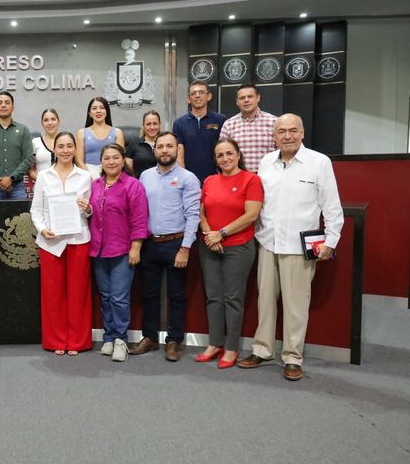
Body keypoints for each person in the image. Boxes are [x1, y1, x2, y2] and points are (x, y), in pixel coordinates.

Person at [239, 114, 343, 381]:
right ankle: (262, 350)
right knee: (265, 302)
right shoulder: (266, 162)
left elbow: (332, 206)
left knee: (296, 306)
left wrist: (331, 241)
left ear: (302, 133)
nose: (287, 136)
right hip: (267, 243)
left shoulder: (319, 162)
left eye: (293, 130)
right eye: (282, 131)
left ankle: (293, 357)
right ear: (274, 136)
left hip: (299, 247)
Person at [131, 132, 200, 362]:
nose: (164, 150)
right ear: (155, 150)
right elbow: (139, 211)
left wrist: (185, 248)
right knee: (149, 294)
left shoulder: (188, 178)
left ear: (176, 149)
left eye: (169, 146)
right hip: (150, 244)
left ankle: (174, 341)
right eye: (160, 146)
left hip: (176, 244)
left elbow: (193, 215)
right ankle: (150, 337)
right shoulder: (145, 176)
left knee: (176, 295)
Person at [195, 138, 263, 369]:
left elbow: (251, 215)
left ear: (238, 155)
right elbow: (202, 213)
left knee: (233, 298)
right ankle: (215, 344)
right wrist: (209, 235)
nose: (225, 159)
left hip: (239, 246)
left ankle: (231, 348)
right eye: (220, 155)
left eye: (229, 153)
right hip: (210, 246)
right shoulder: (210, 181)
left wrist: (221, 233)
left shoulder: (251, 180)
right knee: (213, 296)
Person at [30, 131, 93, 355]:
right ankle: (56, 341)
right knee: (53, 294)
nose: (65, 150)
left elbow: (90, 211)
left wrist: (88, 209)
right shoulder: (43, 176)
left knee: (78, 293)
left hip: (78, 240)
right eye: (61, 146)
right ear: (54, 150)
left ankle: (77, 341)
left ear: (75, 149)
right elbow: (36, 210)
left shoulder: (85, 176)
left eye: (69, 146)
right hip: (51, 242)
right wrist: (42, 229)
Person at [89, 143, 149, 362]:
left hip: (123, 250)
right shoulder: (95, 185)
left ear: (123, 161)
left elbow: (140, 219)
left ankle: (121, 340)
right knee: (105, 297)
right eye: (107, 158)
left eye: (115, 157)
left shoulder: (133, 185)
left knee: (119, 299)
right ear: (101, 162)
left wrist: (136, 247)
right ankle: (109, 336)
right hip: (98, 250)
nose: (111, 162)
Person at [173, 81, 227, 184]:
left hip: (216, 179)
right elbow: (179, 154)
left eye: (201, 92)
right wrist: (184, 179)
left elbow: (225, 150)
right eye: (193, 93)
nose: (197, 96)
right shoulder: (179, 123)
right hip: (190, 180)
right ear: (188, 99)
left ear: (209, 96)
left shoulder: (221, 120)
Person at [219, 83, 277, 173]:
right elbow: (222, 154)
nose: (246, 100)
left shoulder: (274, 122)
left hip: (267, 177)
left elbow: (282, 153)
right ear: (237, 101)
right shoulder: (229, 125)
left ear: (258, 98)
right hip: (239, 178)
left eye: (250, 96)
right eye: (242, 98)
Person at [77, 96, 125, 178]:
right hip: (88, 174)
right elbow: (79, 161)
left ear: (107, 111)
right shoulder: (81, 133)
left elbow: (119, 160)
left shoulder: (118, 132)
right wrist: (90, 177)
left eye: (102, 108)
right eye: (94, 108)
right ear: (89, 113)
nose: (98, 111)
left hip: (112, 173)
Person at [124, 109, 161, 178]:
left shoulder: (164, 144)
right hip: (140, 182)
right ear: (143, 126)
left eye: (155, 124)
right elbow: (129, 171)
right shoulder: (134, 144)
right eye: (148, 124)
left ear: (159, 125)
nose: (152, 127)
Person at [28, 108, 59, 181]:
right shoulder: (35, 142)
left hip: (62, 185)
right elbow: (30, 170)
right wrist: (42, 181)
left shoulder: (65, 141)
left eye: (53, 119)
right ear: (42, 123)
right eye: (46, 120)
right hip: (41, 185)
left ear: (58, 121)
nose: (50, 123)